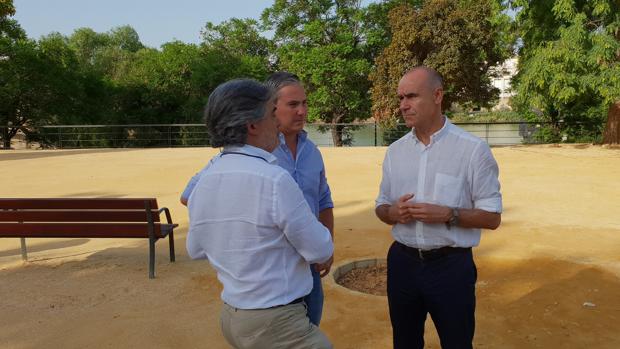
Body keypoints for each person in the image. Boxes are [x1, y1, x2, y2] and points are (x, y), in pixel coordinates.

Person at [186, 78, 334, 349]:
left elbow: (196, 247)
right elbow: (320, 248)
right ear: (252, 125)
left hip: (233, 313)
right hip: (275, 317)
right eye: (270, 114)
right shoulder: (274, 178)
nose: (276, 123)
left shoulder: (209, 176)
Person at [375, 66, 502, 349]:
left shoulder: (472, 150)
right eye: (400, 98)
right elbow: (381, 207)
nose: (403, 105)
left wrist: (449, 214)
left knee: (457, 343)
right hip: (402, 264)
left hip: (451, 267)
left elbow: (492, 217)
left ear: (437, 95)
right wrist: (392, 213)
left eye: (411, 96)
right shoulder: (396, 152)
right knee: (405, 343)